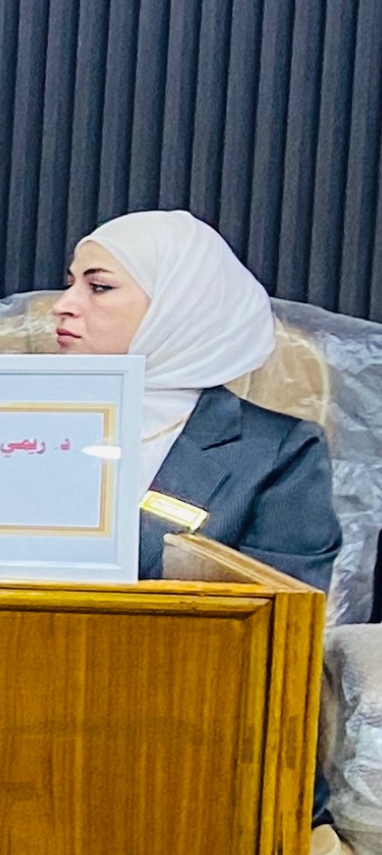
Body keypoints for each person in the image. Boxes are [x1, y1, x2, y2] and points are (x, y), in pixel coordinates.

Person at [57, 209, 336, 591]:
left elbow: (284, 611)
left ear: (176, 305)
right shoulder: (16, 422)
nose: (63, 305)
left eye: (99, 287)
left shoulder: (277, 452)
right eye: (70, 284)